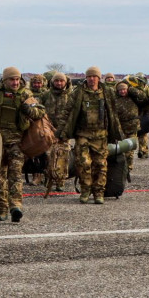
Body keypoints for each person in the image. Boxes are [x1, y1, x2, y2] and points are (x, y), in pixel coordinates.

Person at [0, 67, 46, 221]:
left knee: (15, 175)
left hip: (16, 142)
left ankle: (15, 206)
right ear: (5, 80)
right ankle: (1, 209)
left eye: (17, 79)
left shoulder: (25, 94)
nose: (15, 82)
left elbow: (40, 112)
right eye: (12, 79)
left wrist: (29, 110)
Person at [61, 66, 123, 203]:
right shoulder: (78, 93)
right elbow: (67, 111)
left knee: (100, 165)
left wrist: (117, 132)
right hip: (83, 134)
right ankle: (85, 190)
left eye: (94, 76)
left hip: (101, 136)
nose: (91, 79)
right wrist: (61, 132)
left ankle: (98, 193)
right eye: (89, 76)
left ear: (99, 78)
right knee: (83, 163)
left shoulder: (107, 92)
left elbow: (114, 113)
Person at [39, 71, 74, 192]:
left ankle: (60, 181)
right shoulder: (45, 95)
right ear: (52, 82)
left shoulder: (71, 95)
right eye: (56, 81)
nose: (59, 83)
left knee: (63, 156)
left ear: (65, 82)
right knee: (48, 155)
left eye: (61, 81)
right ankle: (48, 178)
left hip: (64, 130)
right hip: (48, 130)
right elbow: (39, 110)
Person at [114, 80, 143, 171]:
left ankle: (128, 167)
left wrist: (130, 89)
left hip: (132, 127)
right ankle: (121, 166)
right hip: (121, 127)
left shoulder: (133, 97)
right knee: (121, 148)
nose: (122, 91)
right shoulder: (115, 100)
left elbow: (142, 96)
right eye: (120, 90)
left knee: (130, 149)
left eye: (124, 89)